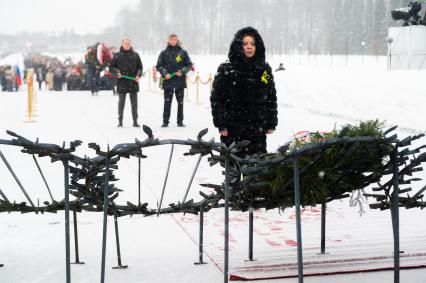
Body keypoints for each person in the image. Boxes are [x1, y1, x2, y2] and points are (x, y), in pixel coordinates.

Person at [210, 26, 278, 156]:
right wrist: (221, 124)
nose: (249, 47)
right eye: (245, 43)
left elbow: (271, 95)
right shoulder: (226, 69)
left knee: (255, 169)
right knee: (233, 168)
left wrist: (271, 122)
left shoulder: (264, 68)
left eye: (252, 43)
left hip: (257, 128)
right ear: (238, 46)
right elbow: (217, 98)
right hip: (232, 128)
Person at [156, 34, 192, 127]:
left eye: (174, 39)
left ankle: (180, 122)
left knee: (180, 103)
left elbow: (189, 65)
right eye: (171, 39)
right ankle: (165, 121)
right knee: (167, 102)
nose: (173, 41)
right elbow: (159, 66)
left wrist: (182, 71)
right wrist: (165, 73)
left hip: (180, 81)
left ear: (177, 40)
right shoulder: (163, 53)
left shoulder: (183, 52)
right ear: (168, 40)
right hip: (168, 81)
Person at [110, 38, 143, 127]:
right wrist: (117, 72)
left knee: (134, 105)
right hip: (122, 82)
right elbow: (111, 67)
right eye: (125, 44)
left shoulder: (136, 55)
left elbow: (140, 68)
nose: (127, 45)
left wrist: (138, 75)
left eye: (128, 44)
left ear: (131, 44)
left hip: (133, 82)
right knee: (121, 104)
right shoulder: (117, 55)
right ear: (122, 44)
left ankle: (135, 121)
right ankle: (120, 122)